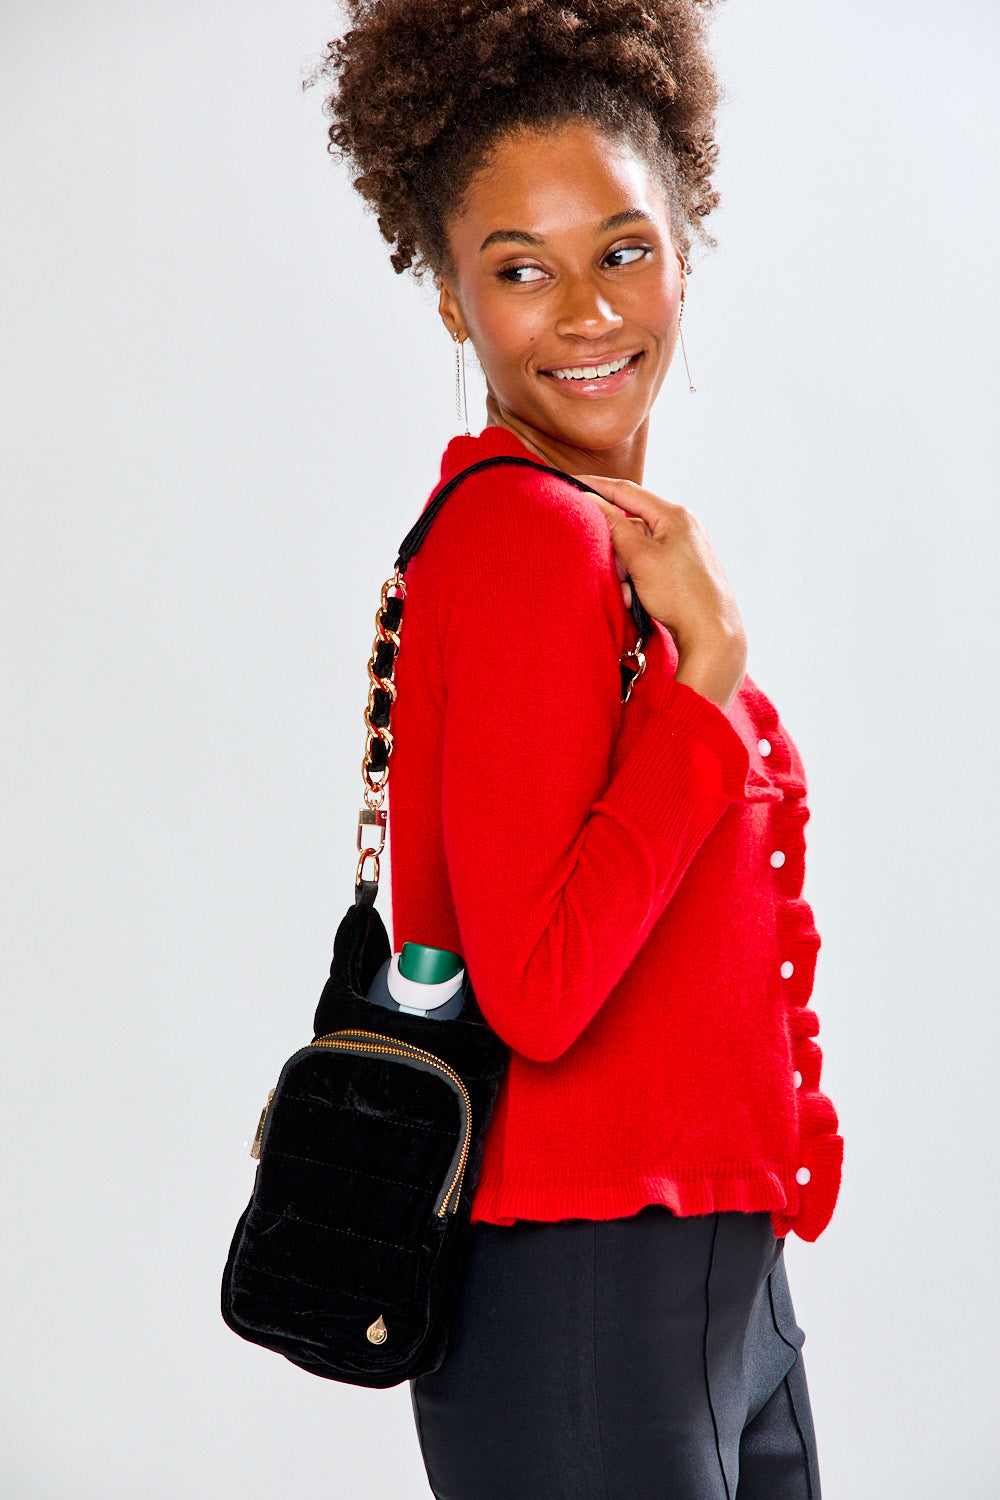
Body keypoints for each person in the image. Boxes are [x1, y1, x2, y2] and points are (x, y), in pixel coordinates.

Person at [315, 2, 843, 1495]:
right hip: (587, 1294)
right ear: (450, 301)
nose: (588, 312)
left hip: (699, 1288)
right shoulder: (528, 541)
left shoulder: (586, 543)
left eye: (621, 248)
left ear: (686, 241)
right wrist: (709, 680)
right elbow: (538, 992)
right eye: (518, 270)